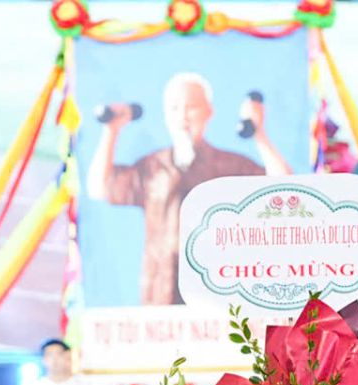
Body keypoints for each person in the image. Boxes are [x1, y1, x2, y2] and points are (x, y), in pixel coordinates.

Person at [87, 71, 291, 305]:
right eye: (174, 108)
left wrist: (258, 134)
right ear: (166, 116)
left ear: (208, 112)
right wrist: (111, 131)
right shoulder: (153, 168)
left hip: (215, 288)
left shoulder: (229, 165)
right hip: (160, 290)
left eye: (191, 107)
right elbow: (99, 187)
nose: (183, 116)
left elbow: (282, 187)